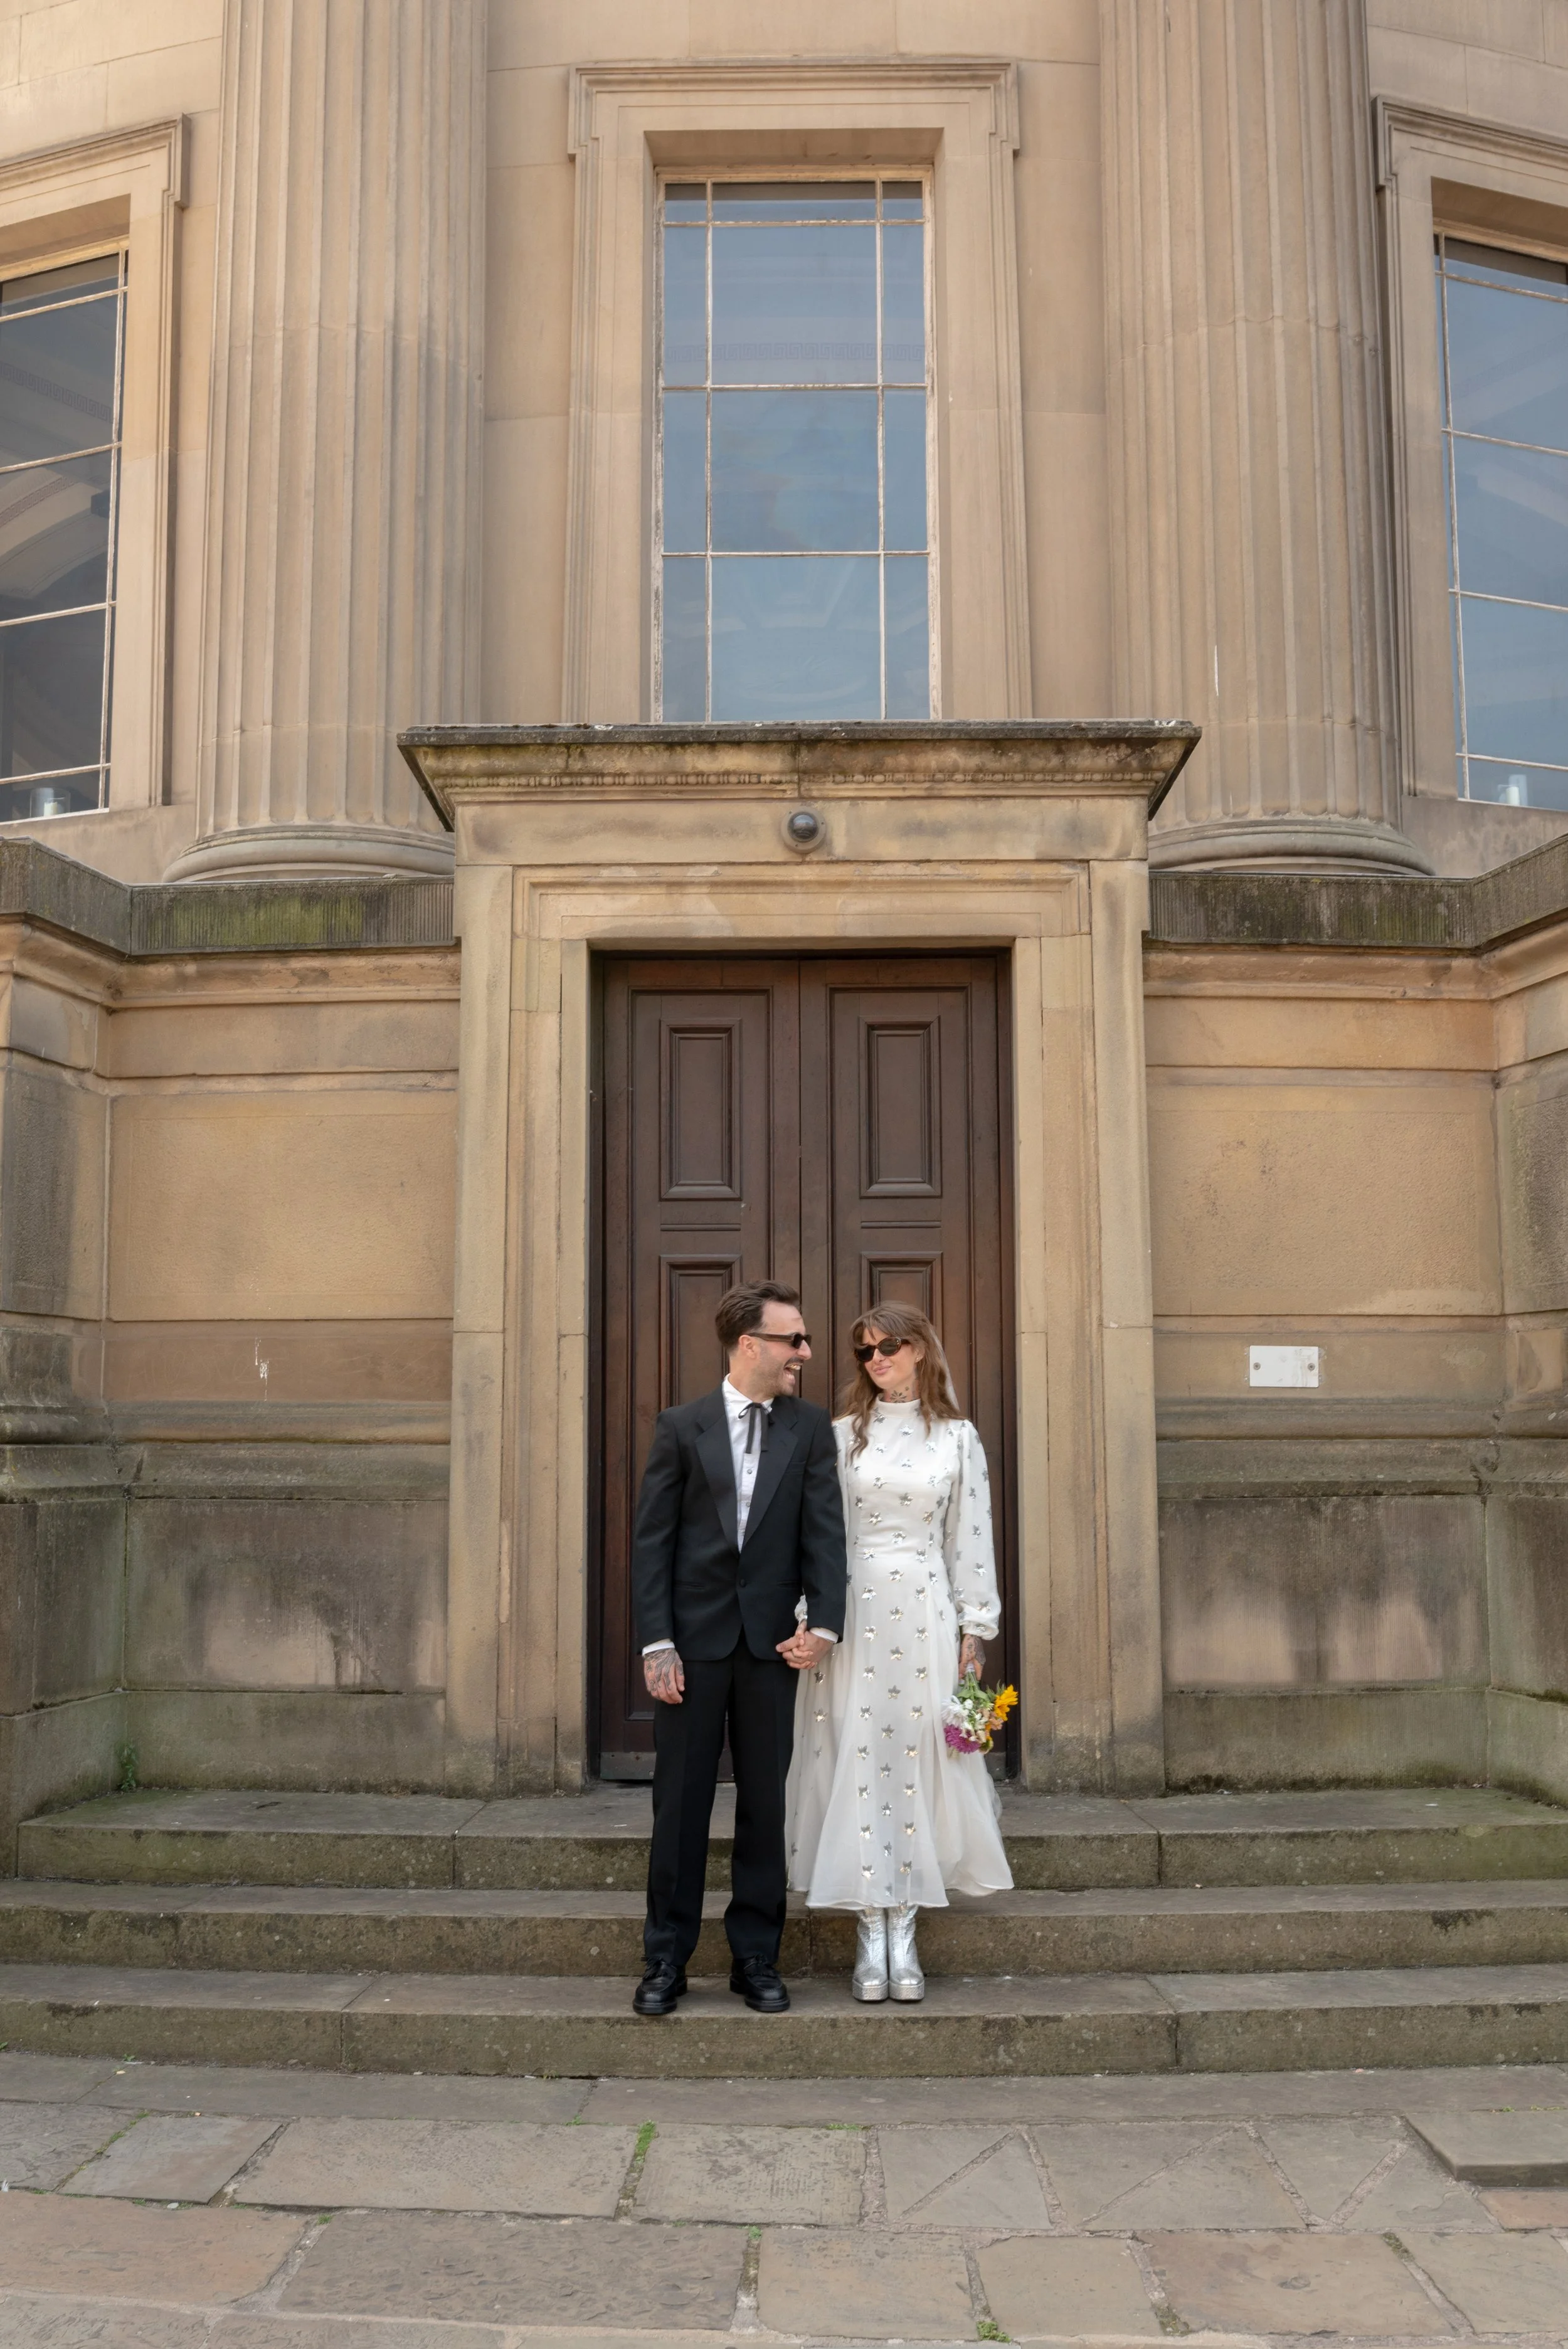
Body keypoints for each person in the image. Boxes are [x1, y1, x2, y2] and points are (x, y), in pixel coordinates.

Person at [630, 1280, 847, 2017]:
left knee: (764, 1807)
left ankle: (756, 1957)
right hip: (690, 1650)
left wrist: (823, 1624)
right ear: (749, 1343)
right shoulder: (680, 1426)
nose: (805, 1353)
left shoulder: (810, 1428)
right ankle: (666, 1959)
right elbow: (653, 1542)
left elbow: (824, 1534)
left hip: (769, 1650)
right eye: (793, 1339)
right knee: (679, 1807)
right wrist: (656, 1641)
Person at [785, 1301, 1012, 2001]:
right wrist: (808, 1616)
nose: (876, 1359)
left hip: (924, 1607)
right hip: (853, 1611)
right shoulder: (841, 1435)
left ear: (919, 1349)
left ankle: (904, 1924)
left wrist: (976, 1628)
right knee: (859, 1756)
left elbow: (968, 1535)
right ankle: (868, 1928)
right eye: (864, 1351)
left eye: (888, 1346)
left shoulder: (957, 1437)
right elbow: (819, 1535)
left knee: (916, 1753)